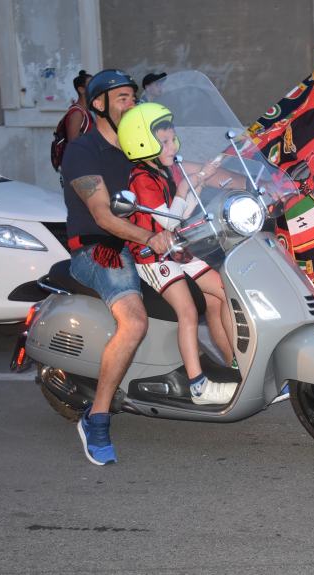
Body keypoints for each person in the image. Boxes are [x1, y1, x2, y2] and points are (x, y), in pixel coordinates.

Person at [60, 69, 173, 466]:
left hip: (143, 242)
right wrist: (148, 239)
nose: (132, 104)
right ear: (99, 105)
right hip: (100, 248)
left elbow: (177, 172)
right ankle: (98, 417)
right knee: (134, 322)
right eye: (122, 98)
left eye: (133, 97)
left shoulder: (139, 145)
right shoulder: (83, 151)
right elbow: (104, 216)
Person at [117, 103, 239, 405]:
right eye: (167, 142)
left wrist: (195, 183)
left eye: (173, 139)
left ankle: (237, 363)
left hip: (176, 247)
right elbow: (167, 221)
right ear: (143, 143)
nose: (175, 146)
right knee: (187, 312)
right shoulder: (142, 179)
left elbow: (181, 216)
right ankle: (198, 385)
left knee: (225, 291)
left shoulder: (163, 171)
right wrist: (187, 185)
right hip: (152, 256)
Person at [50, 70, 94, 174]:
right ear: (81, 90)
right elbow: (73, 146)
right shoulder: (77, 114)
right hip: (80, 169)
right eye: (92, 85)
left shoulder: (87, 111)